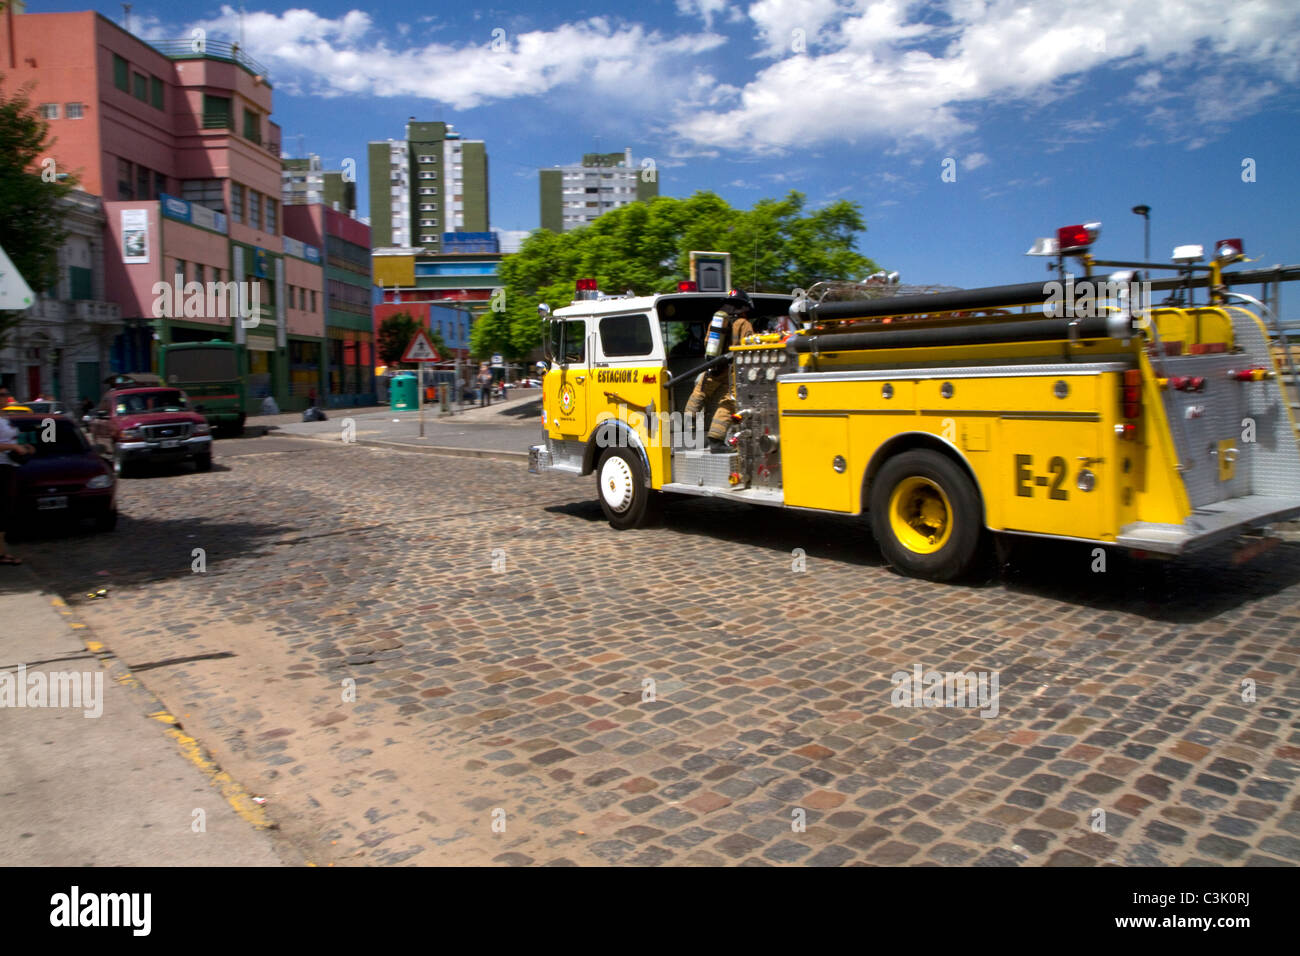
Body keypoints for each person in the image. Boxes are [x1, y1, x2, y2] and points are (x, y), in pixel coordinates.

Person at [685, 289, 756, 452]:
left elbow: (707, 342)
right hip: (733, 370)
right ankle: (716, 440)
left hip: (713, 365)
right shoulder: (744, 324)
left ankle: (688, 419)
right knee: (729, 402)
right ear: (743, 306)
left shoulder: (716, 321)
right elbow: (750, 347)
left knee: (701, 391)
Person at [0, 387, 36, 566]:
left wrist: (24, 447)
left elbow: (12, 440)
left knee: (7, 510)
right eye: (1, 395)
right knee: (3, 511)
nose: (5, 397)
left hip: (11, 465)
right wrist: (14, 448)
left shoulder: (4, 418)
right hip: (2, 468)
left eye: (6, 394)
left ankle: (2, 552)